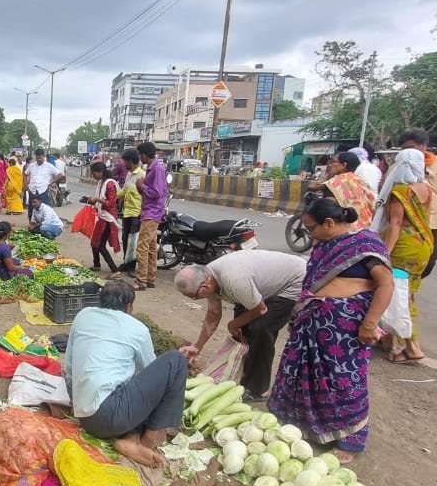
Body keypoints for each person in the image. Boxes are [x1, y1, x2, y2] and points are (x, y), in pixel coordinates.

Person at [268, 197, 395, 461]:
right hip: (312, 322)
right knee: (303, 375)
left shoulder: (365, 244)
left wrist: (370, 323)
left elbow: (386, 285)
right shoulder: (323, 245)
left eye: (311, 228)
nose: (309, 235)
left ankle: (349, 440)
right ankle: (303, 426)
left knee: (342, 381)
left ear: (329, 222)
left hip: (344, 329)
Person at [63, 279, 191, 468]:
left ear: (100, 300)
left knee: (124, 380)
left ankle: (130, 437)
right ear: (129, 306)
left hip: (85, 416)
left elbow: (70, 363)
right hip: (111, 417)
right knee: (176, 360)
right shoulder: (138, 329)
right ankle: (145, 442)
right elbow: (149, 370)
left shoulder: (83, 315)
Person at [174, 250, 307, 401]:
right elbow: (213, 314)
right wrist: (197, 347)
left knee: (260, 329)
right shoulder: (208, 277)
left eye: (194, 296)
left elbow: (260, 309)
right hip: (257, 287)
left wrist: (233, 324)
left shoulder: (233, 279)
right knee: (243, 331)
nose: (195, 299)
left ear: (205, 285)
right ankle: (240, 375)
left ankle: (256, 389)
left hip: (293, 282)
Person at [371, 148, 434, 363]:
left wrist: (384, 255)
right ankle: (389, 338)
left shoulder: (400, 193)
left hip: (404, 247)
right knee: (407, 293)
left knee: (400, 296)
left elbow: (395, 226)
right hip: (423, 245)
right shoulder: (427, 188)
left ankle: (412, 346)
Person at [398, 130, 437, 279]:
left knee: (431, 258)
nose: (407, 152)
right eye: (403, 149)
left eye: (411, 147)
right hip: (409, 221)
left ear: (423, 146)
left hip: (433, 221)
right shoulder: (401, 163)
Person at [135, 143, 167, 290]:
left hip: (152, 212)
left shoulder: (157, 169)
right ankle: (150, 278)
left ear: (143, 155)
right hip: (150, 211)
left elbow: (157, 192)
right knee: (152, 247)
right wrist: (141, 188)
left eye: (140, 155)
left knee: (142, 246)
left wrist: (142, 186)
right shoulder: (152, 169)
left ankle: (141, 280)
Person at [320, 151, 377, 230]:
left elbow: (328, 207)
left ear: (344, 165)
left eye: (333, 161)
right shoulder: (360, 180)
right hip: (367, 226)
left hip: (347, 229)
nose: (331, 164)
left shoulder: (335, 183)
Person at [85, 159, 123, 277]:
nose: (93, 176)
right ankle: (96, 264)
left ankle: (115, 270)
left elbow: (111, 203)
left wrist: (97, 200)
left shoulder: (110, 184)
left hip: (108, 218)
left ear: (101, 171)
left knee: (100, 245)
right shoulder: (102, 182)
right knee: (94, 242)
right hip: (102, 216)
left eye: (94, 174)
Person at [117, 149, 144, 274]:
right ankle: (126, 262)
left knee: (133, 241)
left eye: (125, 162)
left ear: (130, 161)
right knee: (125, 238)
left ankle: (132, 267)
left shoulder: (142, 175)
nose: (124, 165)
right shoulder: (129, 175)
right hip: (127, 212)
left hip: (137, 214)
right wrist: (110, 197)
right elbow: (123, 191)